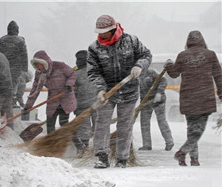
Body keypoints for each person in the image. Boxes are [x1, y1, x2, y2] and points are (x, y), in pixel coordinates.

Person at [87, 15, 152, 168]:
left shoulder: (131, 41)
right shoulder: (94, 48)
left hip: (129, 90)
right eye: (99, 32)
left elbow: (146, 55)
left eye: (105, 32)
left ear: (113, 29)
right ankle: (102, 156)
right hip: (107, 93)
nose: (101, 35)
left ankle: (122, 159)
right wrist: (100, 89)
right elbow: (93, 71)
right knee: (102, 123)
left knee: (125, 125)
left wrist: (139, 66)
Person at [164, 30, 222, 166]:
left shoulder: (182, 55)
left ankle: (194, 159)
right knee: (198, 129)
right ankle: (182, 153)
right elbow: (218, 76)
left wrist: (168, 65)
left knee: (192, 129)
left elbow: (173, 74)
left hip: (188, 97)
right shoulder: (210, 55)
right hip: (204, 97)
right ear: (202, 41)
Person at [23, 50, 77, 134]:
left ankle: (67, 142)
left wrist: (69, 85)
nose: (38, 67)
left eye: (39, 64)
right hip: (53, 99)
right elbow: (35, 89)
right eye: (36, 65)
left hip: (65, 98)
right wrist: (28, 106)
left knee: (63, 123)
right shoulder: (39, 74)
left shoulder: (59, 66)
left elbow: (73, 73)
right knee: (50, 123)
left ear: (44, 62)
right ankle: (51, 144)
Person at [139, 68, 174, 151]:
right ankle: (146, 145)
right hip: (145, 101)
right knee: (144, 123)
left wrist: (159, 92)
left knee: (161, 121)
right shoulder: (134, 75)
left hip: (158, 99)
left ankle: (169, 142)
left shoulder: (151, 72)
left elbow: (163, 80)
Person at [72, 50, 97, 154]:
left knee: (84, 127)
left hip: (82, 104)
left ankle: (84, 147)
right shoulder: (96, 71)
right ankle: (100, 148)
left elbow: (74, 91)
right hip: (97, 103)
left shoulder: (75, 74)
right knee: (98, 125)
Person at [0, 20, 28, 108]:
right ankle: (12, 102)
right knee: (14, 84)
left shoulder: (2, 39)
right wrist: (24, 70)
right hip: (16, 67)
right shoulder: (20, 40)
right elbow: (24, 55)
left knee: (4, 84)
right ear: (17, 30)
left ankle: (3, 101)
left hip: (3, 66)